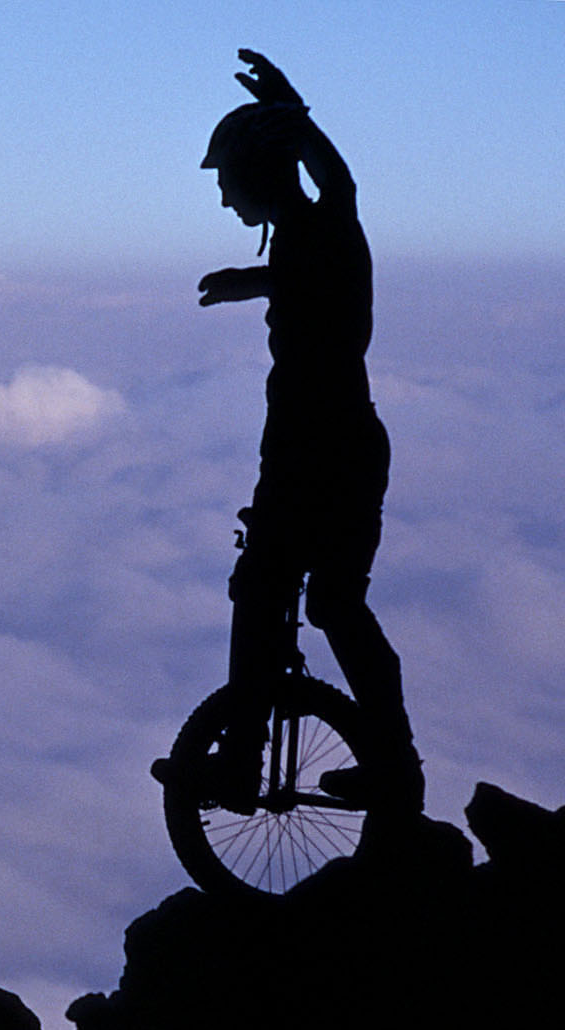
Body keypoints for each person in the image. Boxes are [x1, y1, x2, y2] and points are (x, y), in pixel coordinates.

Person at [196, 50, 424, 816]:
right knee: (332, 603)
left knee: (269, 589)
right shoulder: (314, 235)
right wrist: (249, 281)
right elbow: (332, 206)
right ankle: (396, 768)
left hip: (315, 451)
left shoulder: (316, 233)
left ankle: (239, 769)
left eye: (230, 185)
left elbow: (336, 193)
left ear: (261, 173)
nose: (227, 201)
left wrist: (295, 117)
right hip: (340, 447)